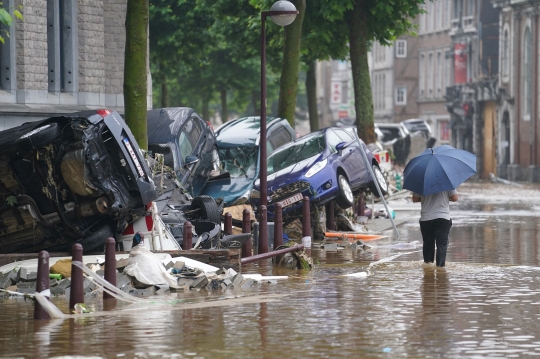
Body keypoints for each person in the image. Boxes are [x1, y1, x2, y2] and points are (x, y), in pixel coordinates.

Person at [412, 190, 458, 267]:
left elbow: (415, 199)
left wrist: (425, 199)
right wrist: (447, 198)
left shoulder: (421, 182)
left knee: (428, 244)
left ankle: (428, 267)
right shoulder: (447, 182)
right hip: (443, 218)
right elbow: (455, 198)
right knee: (442, 245)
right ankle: (440, 268)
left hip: (426, 219)